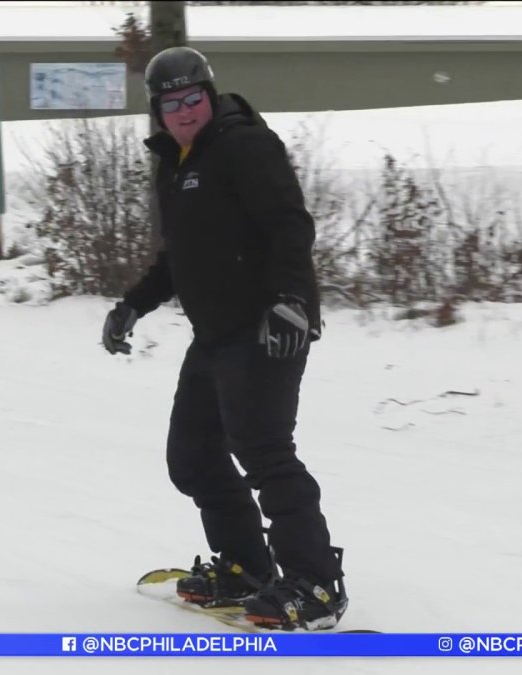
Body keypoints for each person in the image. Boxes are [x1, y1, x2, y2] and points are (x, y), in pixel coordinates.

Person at [101, 46, 346, 631]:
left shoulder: (245, 145)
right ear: (158, 110)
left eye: (192, 99)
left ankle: (315, 582)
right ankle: (246, 567)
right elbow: (179, 257)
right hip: (215, 332)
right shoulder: (178, 160)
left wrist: (289, 302)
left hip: (267, 327)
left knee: (263, 452)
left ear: (209, 95)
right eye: (171, 103)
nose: (184, 111)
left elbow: (290, 225)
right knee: (192, 458)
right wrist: (133, 304)